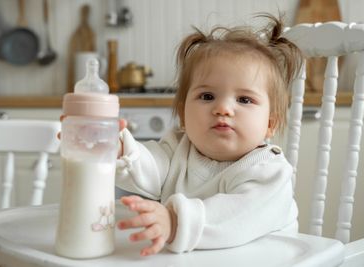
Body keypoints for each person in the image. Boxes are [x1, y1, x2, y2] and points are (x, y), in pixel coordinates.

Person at [115, 13, 303, 257]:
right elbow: (148, 165)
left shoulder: (269, 173)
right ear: (183, 113)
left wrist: (173, 221)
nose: (223, 108)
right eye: (207, 96)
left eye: (244, 99)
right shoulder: (178, 148)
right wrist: (116, 149)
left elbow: (234, 218)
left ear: (270, 123)